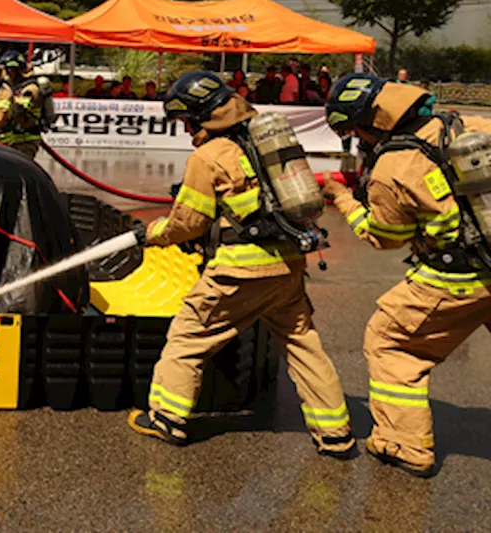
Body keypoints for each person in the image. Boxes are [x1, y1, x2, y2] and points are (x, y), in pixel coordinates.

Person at [129, 70, 353, 457]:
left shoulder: (209, 155)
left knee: (188, 336)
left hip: (240, 272)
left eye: (186, 121)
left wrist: (150, 234)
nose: (185, 131)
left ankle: (167, 417)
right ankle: (336, 433)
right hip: (287, 264)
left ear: (200, 115)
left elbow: (188, 223)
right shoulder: (263, 139)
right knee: (303, 345)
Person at [322, 74, 491, 477]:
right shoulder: (464, 125)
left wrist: (343, 198)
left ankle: (403, 445)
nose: (357, 140)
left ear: (371, 123)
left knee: (391, 343)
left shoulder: (392, 166)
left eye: (354, 131)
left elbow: (385, 238)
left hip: (457, 278)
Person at [0, 49, 46, 159]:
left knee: (20, 174)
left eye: (7, 70)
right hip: (13, 140)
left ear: (15, 70)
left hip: (26, 141)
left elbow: (20, 108)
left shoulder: (30, 89)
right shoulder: (13, 87)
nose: (4, 74)